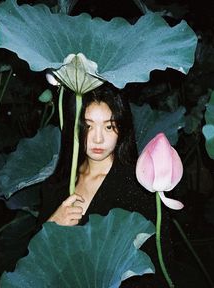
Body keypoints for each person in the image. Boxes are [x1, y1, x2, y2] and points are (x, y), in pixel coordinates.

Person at [38, 84, 174, 287]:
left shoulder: (138, 186)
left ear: (122, 128)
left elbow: (155, 268)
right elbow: (38, 265)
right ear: (75, 127)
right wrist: (51, 225)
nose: (98, 138)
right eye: (89, 126)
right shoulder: (57, 184)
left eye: (109, 126)